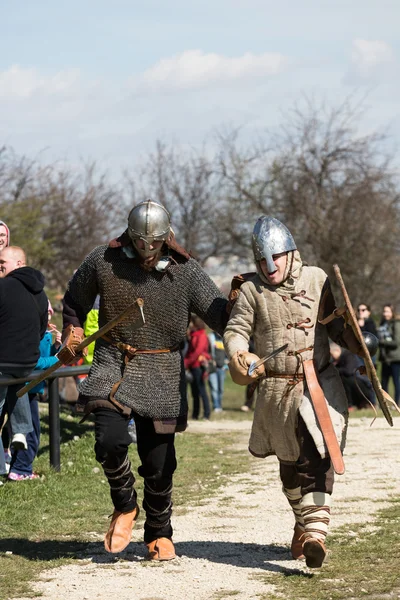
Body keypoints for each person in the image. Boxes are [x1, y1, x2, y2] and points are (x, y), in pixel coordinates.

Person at [62, 199, 227, 560]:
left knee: (159, 462)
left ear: (166, 237)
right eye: (141, 241)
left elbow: (221, 314)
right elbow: (75, 298)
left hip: (162, 368)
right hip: (112, 361)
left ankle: (159, 531)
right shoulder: (104, 261)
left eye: (154, 242)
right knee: (109, 441)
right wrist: (72, 333)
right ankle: (124, 505)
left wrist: (246, 305)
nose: (147, 249)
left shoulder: (185, 271)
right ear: (131, 235)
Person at [224, 216, 361, 569]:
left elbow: (337, 326)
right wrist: (241, 354)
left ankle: (316, 535)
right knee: (289, 468)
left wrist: (358, 342)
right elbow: (236, 329)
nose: (270, 267)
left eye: (276, 258)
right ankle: (303, 521)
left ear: (290, 252)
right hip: (274, 390)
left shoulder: (317, 279)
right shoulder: (251, 290)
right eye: (261, 261)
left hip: (318, 384)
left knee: (318, 455)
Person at [0, 246, 48, 478]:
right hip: (27, 362)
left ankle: (2, 467)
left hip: (3, 362)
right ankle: (20, 431)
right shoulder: (40, 292)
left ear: (19, 264)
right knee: (18, 390)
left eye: (2, 263)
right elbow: (41, 329)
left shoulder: (3, 286)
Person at [8, 300, 61, 481]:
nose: (48, 316)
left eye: (49, 312)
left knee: (26, 431)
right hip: (25, 389)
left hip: (32, 389)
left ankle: (16, 467)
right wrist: (57, 359)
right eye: (44, 312)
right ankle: (21, 470)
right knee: (30, 433)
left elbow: (46, 357)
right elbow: (34, 362)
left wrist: (57, 347)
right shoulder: (30, 334)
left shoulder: (43, 333)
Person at [184, 316, 212, 420]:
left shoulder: (202, 335)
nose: (190, 325)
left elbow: (197, 352)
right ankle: (195, 414)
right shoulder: (192, 335)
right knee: (194, 392)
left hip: (198, 367)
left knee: (202, 391)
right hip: (192, 366)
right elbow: (189, 351)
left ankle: (206, 414)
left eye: (191, 323)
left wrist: (186, 362)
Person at [377, 304, 400, 407]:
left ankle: (397, 404)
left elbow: (396, 342)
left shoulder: (396, 324)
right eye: (384, 311)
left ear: (392, 312)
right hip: (384, 358)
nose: (385, 313)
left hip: (395, 358)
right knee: (383, 383)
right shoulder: (383, 324)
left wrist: (381, 341)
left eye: (387, 311)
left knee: (396, 382)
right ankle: (385, 405)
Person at [207, 331, 227, 413]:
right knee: (214, 387)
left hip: (222, 368)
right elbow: (207, 350)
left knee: (220, 389)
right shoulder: (210, 337)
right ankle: (216, 406)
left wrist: (226, 364)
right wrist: (211, 360)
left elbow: (228, 353)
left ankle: (219, 406)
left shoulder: (225, 339)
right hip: (212, 367)